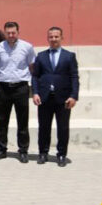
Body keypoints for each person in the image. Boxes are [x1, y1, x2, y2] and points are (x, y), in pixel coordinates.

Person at [32, 27, 79, 167]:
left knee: (63, 128)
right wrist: (35, 93)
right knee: (44, 127)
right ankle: (43, 153)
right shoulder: (41, 56)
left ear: (61, 38)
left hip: (63, 98)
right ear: (48, 38)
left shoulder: (69, 56)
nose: (53, 39)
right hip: (44, 97)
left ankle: (62, 154)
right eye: (51, 37)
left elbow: (74, 77)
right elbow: (35, 76)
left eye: (56, 36)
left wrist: (74, 96)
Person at [0, 21, 36, 163]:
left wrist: (33, 88)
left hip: (21, 87)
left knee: (22, 121)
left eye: (13, 33)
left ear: (18, 32)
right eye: (8, 33)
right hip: (3, 87)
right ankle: (2, 149)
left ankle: (23, 150)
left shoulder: (27, 47)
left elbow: (32, 67)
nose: (11, 35)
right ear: (5, 33)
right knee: (1, 121)